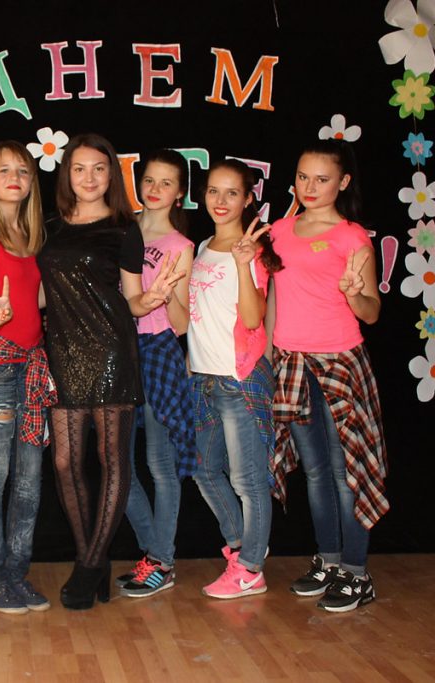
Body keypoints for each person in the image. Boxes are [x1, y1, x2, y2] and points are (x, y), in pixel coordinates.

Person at [37, 133, 177, 610]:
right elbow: (42, 292)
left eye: (99, 168)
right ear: (67, 174)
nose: (89, 177)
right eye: (79, 168)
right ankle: (91, 559)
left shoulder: (124, 229)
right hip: (63, 353)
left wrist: (151, 299)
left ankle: (90, 563)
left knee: (113, 459)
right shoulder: (50, 226)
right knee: (64, 462)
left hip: (112, 350)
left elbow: (133, 299)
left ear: (111, 175)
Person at [269, 138, 386, 612]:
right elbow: (273, 300)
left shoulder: (352, 237)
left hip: (339, 363)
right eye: (303, 177)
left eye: (321, 179)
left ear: (343, 182)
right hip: (292, 363)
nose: (310, 186)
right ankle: (330, 560)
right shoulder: (278, 231)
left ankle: (357, 573)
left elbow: (371, 311)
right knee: (315, 471)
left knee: (345, 472)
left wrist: (355, 293)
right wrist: (269, 355)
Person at [0, 141, 57, 614]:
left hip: (34, 365)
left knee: (30, 479)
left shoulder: (33, 235)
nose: (14, 178)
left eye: (22, 170)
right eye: (4, 170)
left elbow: (35, 301)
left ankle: (17, 572)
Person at [188, 158, 280, 600]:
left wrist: (243, 265)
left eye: (231, 193)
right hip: (203, 379)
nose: (220, 201)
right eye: (213, 191)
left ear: (247, 199)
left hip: (239, 380)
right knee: (204, 471)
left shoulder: (253, 251)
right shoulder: (202, 246)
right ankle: (243, 549)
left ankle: (250, 569)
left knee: (248, 481)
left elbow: (252, 317)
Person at [116, 149, 195, 599]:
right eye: (149, 180)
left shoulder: (181, 246)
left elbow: (182, 324)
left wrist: (166, 294)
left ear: (179, 192)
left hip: (159, 351)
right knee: (118, 467)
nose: (155, 189)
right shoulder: (119, 230)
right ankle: (155, 555)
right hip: (119, 353)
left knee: (160, 466)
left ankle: (160, 561)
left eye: (167, 183)